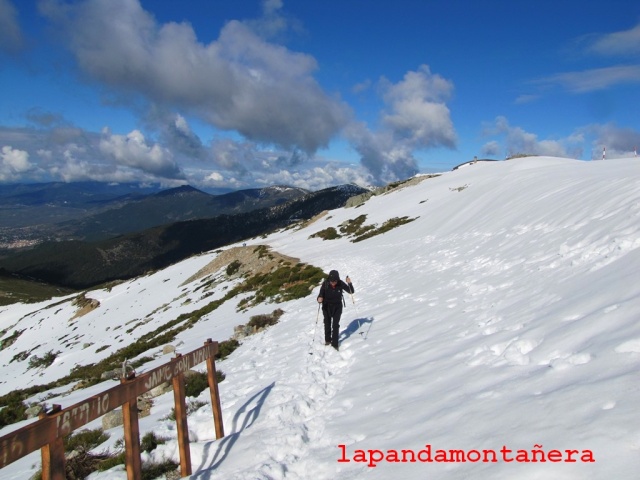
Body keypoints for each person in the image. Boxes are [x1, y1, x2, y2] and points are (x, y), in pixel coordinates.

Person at [316, 270, 354, 351]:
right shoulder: (325, 283)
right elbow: (320, 295)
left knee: (335, 325)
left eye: (335, 281)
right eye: (331, 281)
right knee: (327, 323)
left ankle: (335, 344)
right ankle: (328, 340)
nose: (333, 282)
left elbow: (351, 291)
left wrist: (349, 283)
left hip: (337, 307)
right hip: (326, 306)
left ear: (338, 279)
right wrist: (319, 299)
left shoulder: (340, 283)